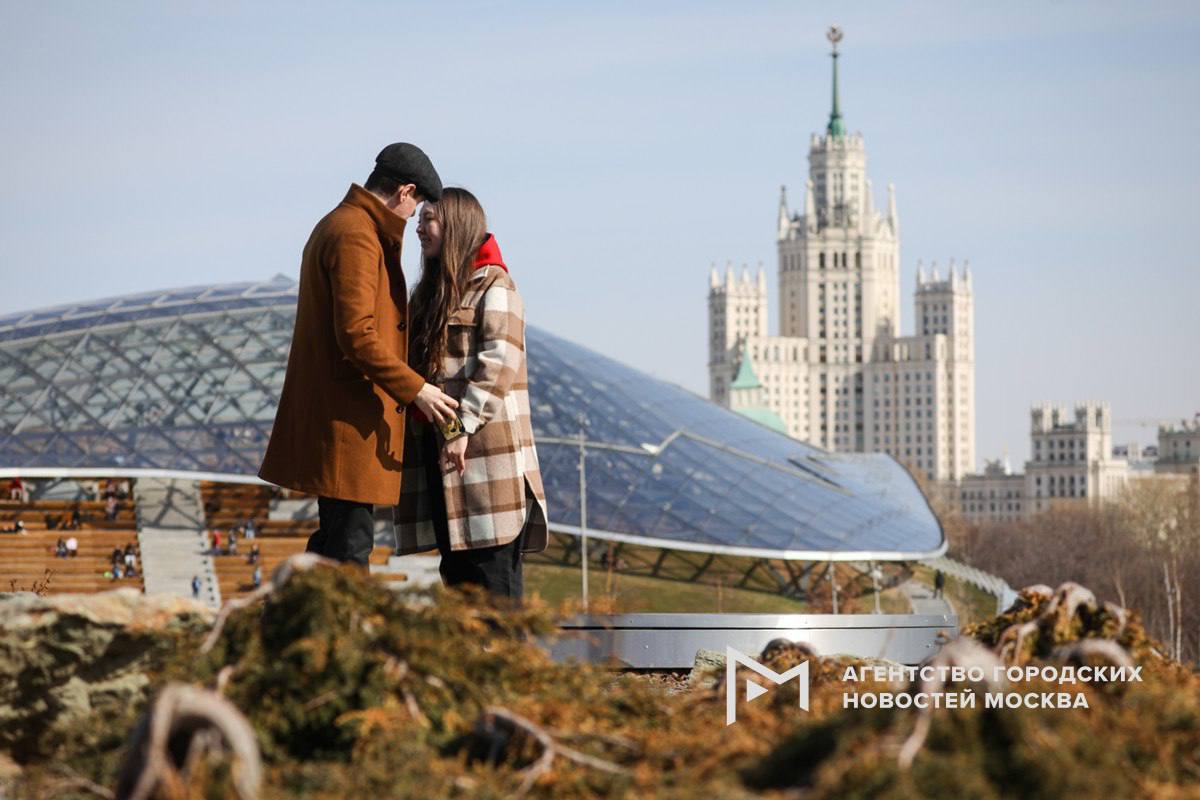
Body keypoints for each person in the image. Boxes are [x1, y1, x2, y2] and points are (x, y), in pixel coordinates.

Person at [259, 143, 459, 569]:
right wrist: (416, 389)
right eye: (417, 204)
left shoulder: (344, 224)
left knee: (334, 545)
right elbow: (357, 334)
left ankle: (293, 628)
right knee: (349, 551)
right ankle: (332, 636)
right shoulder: (356, 234)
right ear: (405, 191)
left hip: (342, 423)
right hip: (348, 427)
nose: (413, 217)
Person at [395, 188, 549, 602]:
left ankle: (511, 669)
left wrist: (461, 426)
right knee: (459, 584)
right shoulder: (428, 294)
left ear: (457, 225)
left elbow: (500, 362)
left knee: (495, 591)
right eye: (419, 218)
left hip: (486, 466)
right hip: (443, 462)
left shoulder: (496, 286)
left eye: (428, 219)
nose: (419, 228)